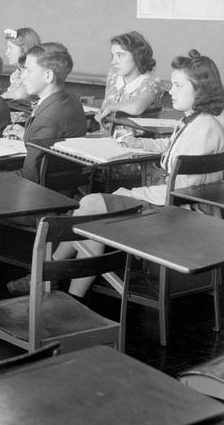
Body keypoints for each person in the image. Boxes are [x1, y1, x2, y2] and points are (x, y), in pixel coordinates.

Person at [53, 49, 224, 297]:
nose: (170, 91)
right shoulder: (194, 120)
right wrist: (140, 144)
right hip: (173, 204)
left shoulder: (204, 129)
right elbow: (172, 149)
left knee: (90, 204)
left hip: (179, 214)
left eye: (177, 86)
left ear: (200, 90)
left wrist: (134, 192)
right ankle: (69, 290)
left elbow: (181, 190)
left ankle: (54, 275)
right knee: (92, 213)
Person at [2, 43, 86, 183]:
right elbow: (52, 140)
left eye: (28, 70)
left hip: (40, 194)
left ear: (48, 76)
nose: (23, 76)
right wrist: (26, 134)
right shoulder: (71, 100)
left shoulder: (47, 119)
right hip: (66, 186)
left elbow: (30, 177)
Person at [95, 31, 165, 125]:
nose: (113, 62)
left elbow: (137, 107)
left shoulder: (152, 83)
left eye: (120, 55)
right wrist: (101, 115)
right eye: (113, 56)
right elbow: (104, 106)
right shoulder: (113, 75)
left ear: (137, 56)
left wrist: (111, 108)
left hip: (134, 139)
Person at [1, 27, 41, 101]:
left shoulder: (32, 74)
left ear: (25, 49)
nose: (7, 53)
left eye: (10, 48)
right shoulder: (17, 73)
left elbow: (21, 95)